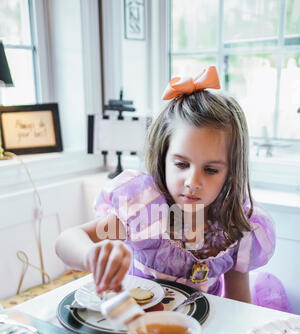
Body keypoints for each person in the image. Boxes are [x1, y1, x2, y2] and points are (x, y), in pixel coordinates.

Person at [55, 66, 293, 312]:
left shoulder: (236, 229)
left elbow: (238, 305)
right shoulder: (141, 210)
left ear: (231, 171)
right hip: (139, 327)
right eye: (181, 164)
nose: (192, 181)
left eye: (211, 170)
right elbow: (65, 241)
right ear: (163, 157)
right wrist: (90, 255)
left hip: (199, 333)